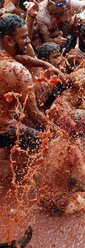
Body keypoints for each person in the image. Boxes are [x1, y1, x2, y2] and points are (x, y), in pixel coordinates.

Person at [0, 14, 47, 150]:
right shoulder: (19, 72)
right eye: (24, 37)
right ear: (9, 40)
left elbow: (20, 56)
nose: (28, 41)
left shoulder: (7, 56)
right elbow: (35, 114)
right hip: (3, 129)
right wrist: (58, 132)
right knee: (45, 142)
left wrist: (46, 64)